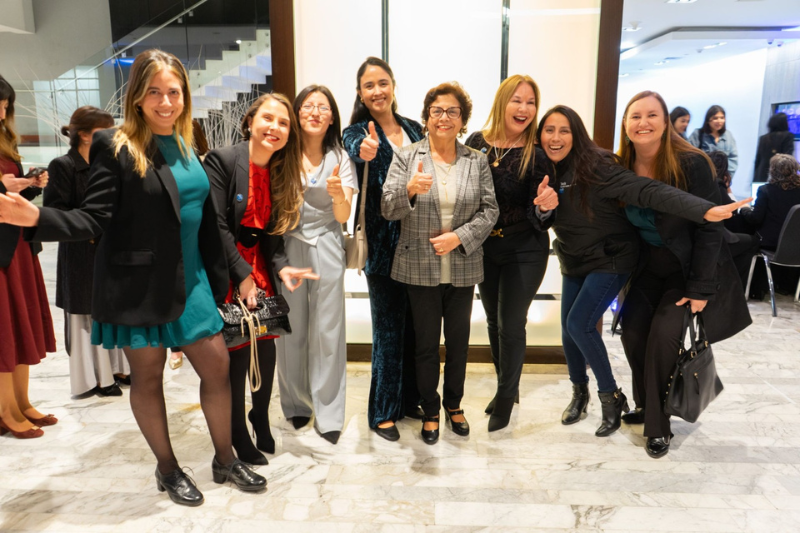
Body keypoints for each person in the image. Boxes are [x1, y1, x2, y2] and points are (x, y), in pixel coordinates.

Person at [0, 50, 266, 504]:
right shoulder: (115, 144)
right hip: (139, 286)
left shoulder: (186, 140)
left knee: (217, 368)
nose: (166, 102)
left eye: (174, 92)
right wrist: (37, 217)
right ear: (138, 97)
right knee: (148, 378)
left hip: (193, 280)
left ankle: (225, 458)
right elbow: (94, 216)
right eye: (154, 92)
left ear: (185, 95)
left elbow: (204, 219)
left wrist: (240, 271)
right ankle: (168, 468)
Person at [535, 104, 749, 439]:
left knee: (581, 324)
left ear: (577, 134)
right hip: (577, 260)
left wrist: (705, 210)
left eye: (564, 130)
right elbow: (543, 219)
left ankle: (613, 398)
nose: (556, 137)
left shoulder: (599, 164)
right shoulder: (545, 168)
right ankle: (581, 394)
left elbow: (651, 192)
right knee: (573, 331)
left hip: (613, 259)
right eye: (549, 130)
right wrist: (543, 210)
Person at [616, 91, 752, 458]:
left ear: (665, 122)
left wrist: (700, 287)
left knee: (663, 338)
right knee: (633, 334)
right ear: (625, 125)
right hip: (645, 268)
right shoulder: (621, 166)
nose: (643, 122)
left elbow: (710, 227)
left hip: (685, 268)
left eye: (652, 115)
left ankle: (658, 427)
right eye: (635, 116)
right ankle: (647, 404)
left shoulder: (692, 163)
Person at [382, 82, 499, 444]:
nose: (444, 117)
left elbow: (490, 210)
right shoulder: (407, 157)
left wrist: (458, 237)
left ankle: (454, 404)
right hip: (419, 265)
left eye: (452, 111)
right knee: (426, 345)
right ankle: (430, 409)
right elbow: (387, 207)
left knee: (459, 344)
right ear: (427, 117)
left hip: (463, 265)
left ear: (462, 119)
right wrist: (409, 190)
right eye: (437, 111)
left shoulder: (476, 160)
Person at [204, 93, 317, 464]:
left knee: (266, 350)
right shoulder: (223, 160)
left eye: (283, 123)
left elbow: (273, 236)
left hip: (259, 270)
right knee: (237, 354)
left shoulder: (281, 170)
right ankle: (238, 433)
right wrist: (242, 275)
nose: (275, 127)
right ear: (250, 121)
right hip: (228, 268)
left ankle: (260, 416)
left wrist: (281, 267)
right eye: (268, 118)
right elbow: (216, 225)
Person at [465, 74, 557, 431]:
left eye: (531, 102)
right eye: (517, 100)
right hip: (485, 247)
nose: (524, 108)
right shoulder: (476, 143)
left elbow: (543, 217)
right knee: (492, 320)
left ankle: (504, 399)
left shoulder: (537, 154)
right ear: (502, 102)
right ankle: (509, 385)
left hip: (525, 248)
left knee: (511, 322)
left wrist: (545, 207)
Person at [342, 57, 425, 442]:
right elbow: (355, 149)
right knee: (388, 332)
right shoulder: (356, 132)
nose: (377, 91)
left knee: (414, 329)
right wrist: (365, 149)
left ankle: (409, 400)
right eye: (369, 86)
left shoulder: (413, 128)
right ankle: (382, 411)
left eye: (382, 83)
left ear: (393, 85)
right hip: (382, 246)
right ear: (360, 93)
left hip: (419, 244)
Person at [272, 86, 356, 445]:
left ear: (332, 117)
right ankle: (296, 404)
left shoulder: (341, 157)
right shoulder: (282, 154)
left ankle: (330, 412)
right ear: (297, 113)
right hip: (289, 248)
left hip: (327, 247)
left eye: (323, 107)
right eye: (308, 106)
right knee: (291, 329)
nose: (315, 112)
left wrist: (338, 196)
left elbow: (344, 215)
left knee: (329, 331)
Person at [44, 106, 131, 398]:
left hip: (111, 249)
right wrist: (90, 221)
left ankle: (120, 369)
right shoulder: (63, 165)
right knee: (86, 315)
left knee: (113, 311)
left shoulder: (110, 162)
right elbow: (55, 211)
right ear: (83, 135)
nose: (112, 135)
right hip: (81, 252)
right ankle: (97, 378)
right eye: (104, 131)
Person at [0, 74, 56, 439]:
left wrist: (30, 186)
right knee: (5, 329)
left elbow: (11, 196)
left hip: (17, 243)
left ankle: (21, 401)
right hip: (2, 251)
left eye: (6, 105)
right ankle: (5, 410)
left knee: (21, 324)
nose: (2, 111)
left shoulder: (5, 141)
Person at [688, 105, 738, 179]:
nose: (719, 121)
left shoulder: (728, 135)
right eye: (715, 118)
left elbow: (733, 158)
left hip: (721, 179)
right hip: (702, 177)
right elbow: (689, 155)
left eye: (722, 118)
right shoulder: (698, 134)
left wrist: (728, 176)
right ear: (708, 120)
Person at [754, 113, 795, 183]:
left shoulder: (763, 138)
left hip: (761, 174)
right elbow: (787, 158)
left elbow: (758, 160)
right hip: (779, 174)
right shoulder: (788, 136)